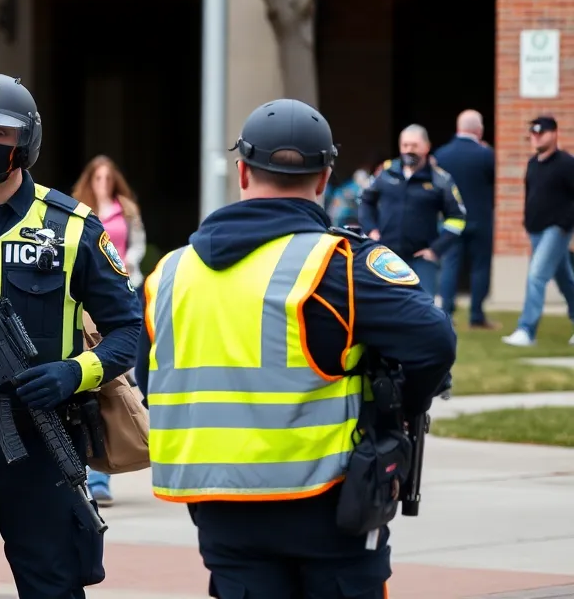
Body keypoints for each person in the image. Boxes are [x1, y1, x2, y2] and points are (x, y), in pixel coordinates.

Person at [139, 99, 457, 599]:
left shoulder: (171, 274)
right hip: (329, 506)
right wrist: (397, 410)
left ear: (242, 172)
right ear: (325, 178)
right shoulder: (340, 265)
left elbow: (150, 378)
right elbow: (434, 344)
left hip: (221, 509)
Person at [0, 74, 142, 599]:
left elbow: (127, 330)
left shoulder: (74, 227)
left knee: (54, 587)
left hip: (43, 443)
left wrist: (74, 372)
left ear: (26, 143)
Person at [69, 154, 147, 507]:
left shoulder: (125, 208)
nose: (102, 182)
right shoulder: (76, 211)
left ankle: (101, 472)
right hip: (85, 304)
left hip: (121, 290)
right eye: (96, 177)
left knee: (113, 387)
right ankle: (87, 473)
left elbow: (137, 245)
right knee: (90, 386)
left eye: (107, 177)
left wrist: (130, 269)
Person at [357, 124, 467, 296]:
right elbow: (365, 200)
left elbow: (457, 217)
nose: (409, 150)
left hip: (422, 261)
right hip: (386, 257)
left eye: (414, 146)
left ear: (427, 147)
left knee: (423, 313)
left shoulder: (440, 180)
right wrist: (371, 229)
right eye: (405, 145)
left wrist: (436, 249)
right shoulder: (385, 173)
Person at [502, 116, 574, 347]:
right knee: (565, 279)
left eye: (540, 132)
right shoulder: (533, 163)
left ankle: (526, 329)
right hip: (536, 230)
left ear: (554, 133)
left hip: (556, 230)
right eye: (533, 134)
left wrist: (565, 224)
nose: (536, 137)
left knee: (536, 276)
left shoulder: (565, 163)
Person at [433, 110, 497, 329]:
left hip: (452, 220)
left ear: (458, 128)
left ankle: (446, 313)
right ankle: (476, 316)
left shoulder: (442, 154)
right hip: (481, 219)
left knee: (450, 264)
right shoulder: (487, 154)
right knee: (480, 267)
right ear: (479, 130)